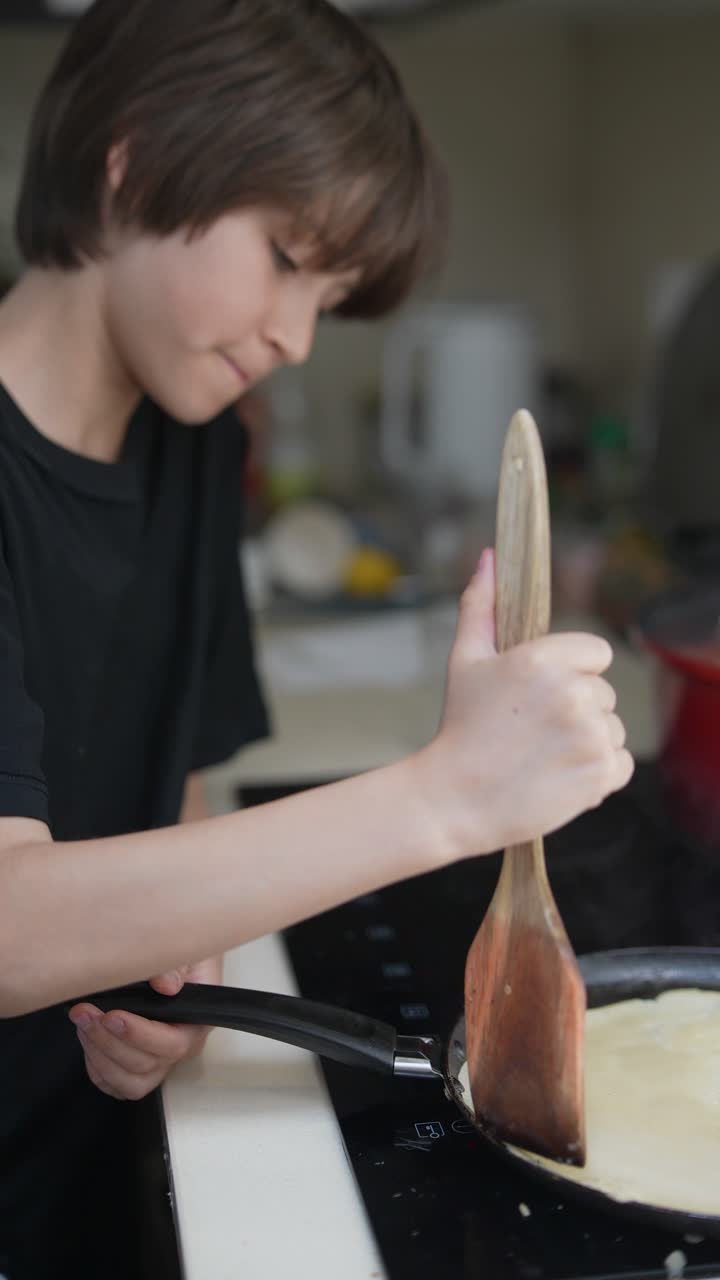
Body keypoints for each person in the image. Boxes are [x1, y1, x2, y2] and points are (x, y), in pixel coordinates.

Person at [0, 1, 632, 1275]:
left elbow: (173, 799)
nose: (295, 336)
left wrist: (177, 967)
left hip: (98, 1156)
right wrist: (445, 796)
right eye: (287, 256)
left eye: (328, 297)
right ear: (130, 155)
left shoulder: (195, 447)